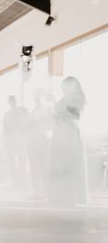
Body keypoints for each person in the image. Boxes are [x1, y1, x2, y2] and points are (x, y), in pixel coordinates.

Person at [48, 77, 88, 206]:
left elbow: (76, 115)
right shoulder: (64, 98)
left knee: (70, 163)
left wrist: (60, 113)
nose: (63, 88)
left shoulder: (77, 98)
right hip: (60, 131)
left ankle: (71, 196)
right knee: (59, 163)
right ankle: (59, 196)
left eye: (64, 85)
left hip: (69, 132)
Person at [26, 90, 53, 200]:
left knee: (44, 166)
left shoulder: (47, 110)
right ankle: (36, 190)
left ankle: (46, 191)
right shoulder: (33, 111)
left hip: (42, 141)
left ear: (43, 97)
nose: (36, 99)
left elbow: (51, 125)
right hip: (32, 141)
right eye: (35, 96)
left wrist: (44, 132)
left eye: (38, 96)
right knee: (34, 167)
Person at [3, 95, 29, 188]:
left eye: (14, 101)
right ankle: (15, 180)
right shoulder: (7, 114)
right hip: (11, 141)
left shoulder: (23, 112)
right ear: (9, 103)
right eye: (11, 101)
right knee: (12, 162)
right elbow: (5, 129)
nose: (12, 103)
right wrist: (6, 142)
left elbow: (27, 125)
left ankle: (22, 180)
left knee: (22, 162)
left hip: (21, 141)